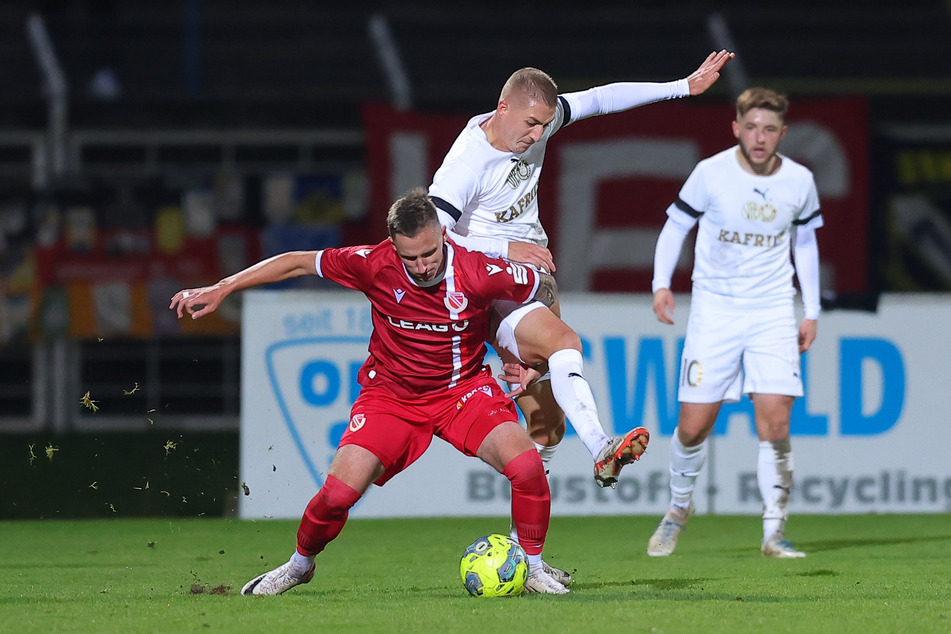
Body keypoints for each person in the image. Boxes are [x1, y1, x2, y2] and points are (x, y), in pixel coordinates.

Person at [169, 189, 603, 594]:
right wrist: (222, 286)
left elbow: (540, 296)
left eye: (430, 252)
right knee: (337, 496)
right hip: (391, 398)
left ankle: (533, 566)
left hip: (463, 393)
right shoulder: (372, 263)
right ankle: (299, 565)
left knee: (526, 465)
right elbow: (298, 261)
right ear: (394, 246)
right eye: (410, 257)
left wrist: (534, 365)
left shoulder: (478, 270)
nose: (423, 265)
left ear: (443, 235)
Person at [428, 51, 733, 576]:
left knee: (545, 429)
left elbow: (602, 98)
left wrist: (683, 85)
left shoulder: (539, 121)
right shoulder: (465, 161)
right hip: (487, 283)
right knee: (565, 344)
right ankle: (602, 446)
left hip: (533, 278)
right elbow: (431, 240)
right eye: (529, 124)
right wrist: (505, 247)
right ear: (501, 108)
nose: (537, 135)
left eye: (545, 125)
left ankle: (526, 560)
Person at [645, 87, 823, 559]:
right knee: (693, 426)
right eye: (751, 127)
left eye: (769, 129)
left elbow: (804, 244)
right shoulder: (711, 173)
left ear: (782, 133)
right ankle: (680, 506)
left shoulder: (800, 180)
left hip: (771, 312)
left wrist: (811, 310)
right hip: (715, 312)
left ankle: (774, 531)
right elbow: (676, 226)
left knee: (776, 420)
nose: (759, 137)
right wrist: (662, 283)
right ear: (736, 128)